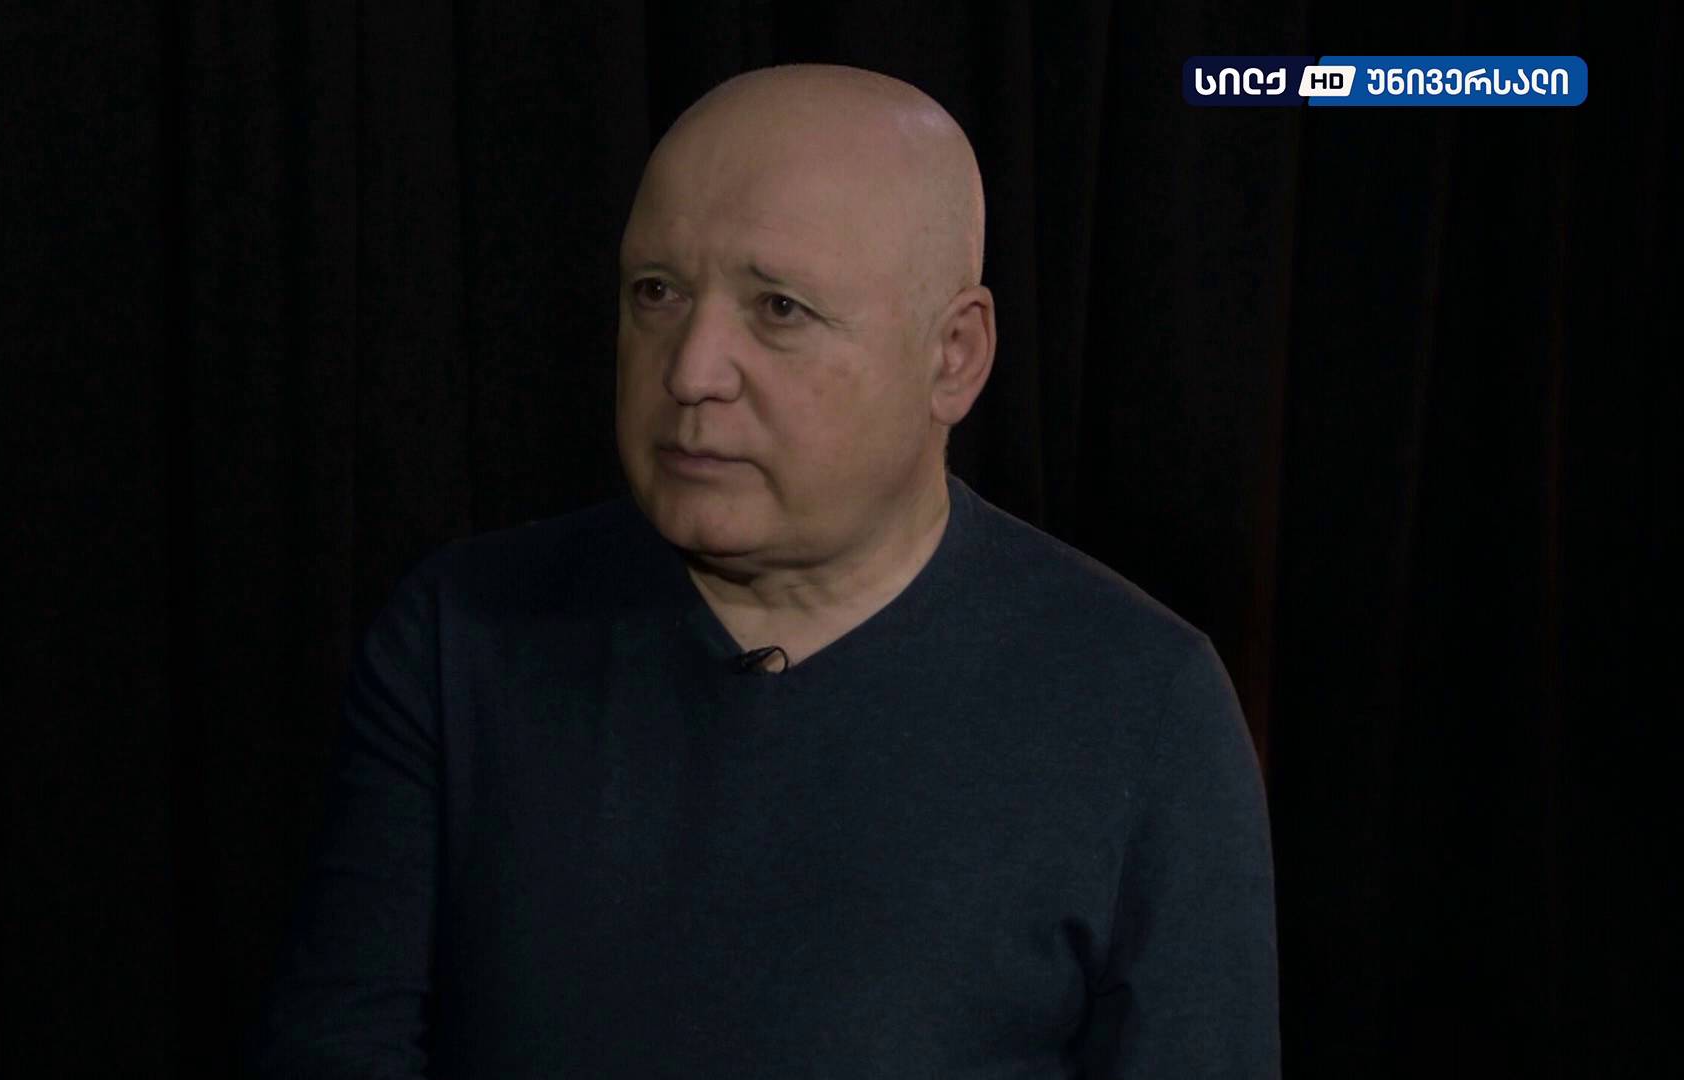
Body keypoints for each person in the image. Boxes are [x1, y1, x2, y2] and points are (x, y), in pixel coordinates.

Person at [253, 63, 1279, 1078]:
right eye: (657, 292)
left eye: (779, 308)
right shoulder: (461, 635)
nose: (691, 371)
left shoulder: (1143, 704)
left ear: (954, 355)